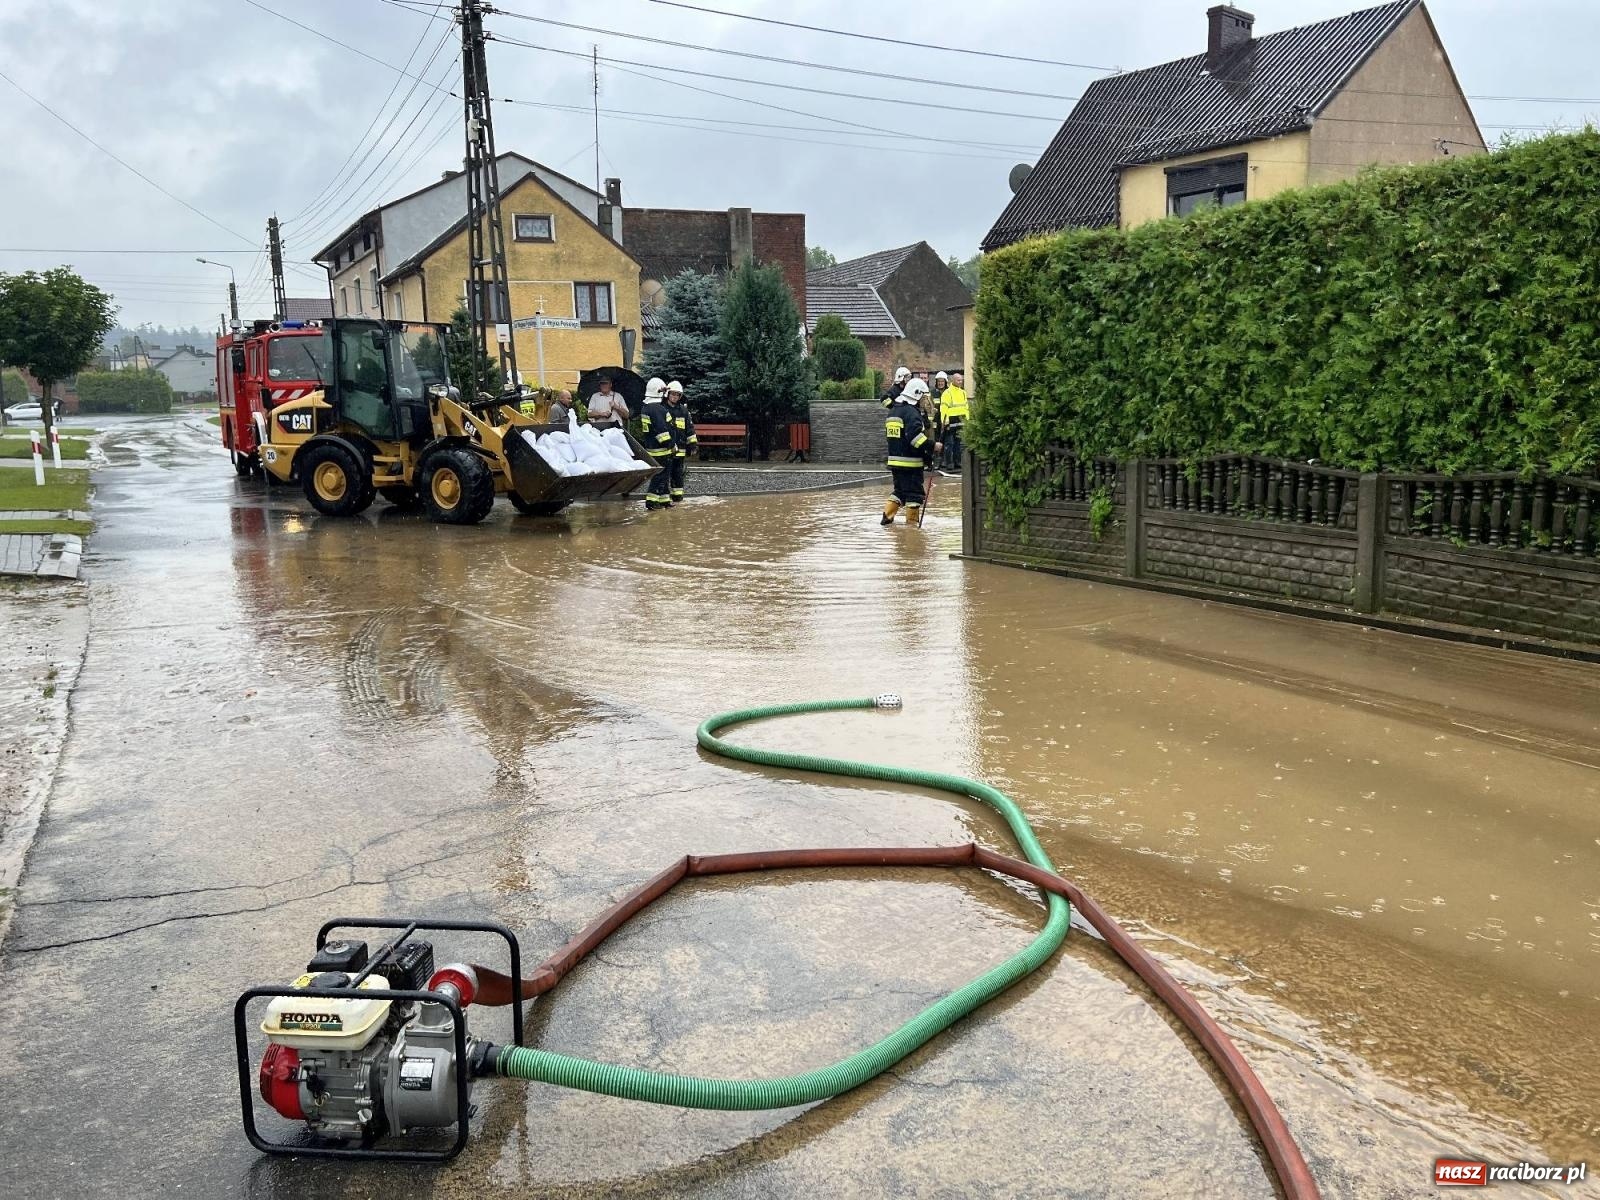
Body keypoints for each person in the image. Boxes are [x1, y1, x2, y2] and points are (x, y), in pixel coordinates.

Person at [882, 377, 939, 526]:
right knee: (914, 495)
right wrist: (933, 446)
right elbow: (915, 439)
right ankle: (912, 529)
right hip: (910, 464)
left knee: (899, 492)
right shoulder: (912, 413)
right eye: (923, 397)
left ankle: (886, 519)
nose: (925, 401)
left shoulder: (894, 411)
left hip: (895, 462)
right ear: (916, 394)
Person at [638, 377, 676, 510]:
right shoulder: (657, 409)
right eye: (664, 390)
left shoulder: (647, 408)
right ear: (658, 391)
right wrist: (671, 445)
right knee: (660, 476)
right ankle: (651, 501)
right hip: (662, 449)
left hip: (652, 448)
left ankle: (664, 500)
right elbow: (661, 430)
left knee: (664, 476)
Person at [665, 380, 697, 504]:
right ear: (668, 394)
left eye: (677, 395)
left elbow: (690, 428)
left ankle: (677, 497)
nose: (675, 397)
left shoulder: (683, 411)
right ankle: (665, 498)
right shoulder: (662, 408)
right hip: (667, 449)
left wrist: (693, 445)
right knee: (665, 474)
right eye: (673, 394)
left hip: (680, 449)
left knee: (677, 474)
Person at [938, 371, 969, 471]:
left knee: (958, 444)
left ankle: (957, 462)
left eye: (961, 380)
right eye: (958, 380)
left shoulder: (963, 392)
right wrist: (945, 421)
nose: (960, 382)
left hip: (961, 421)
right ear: (953, 380)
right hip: (950, 422)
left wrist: (968, 420)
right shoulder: (947, 393)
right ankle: (949, 463)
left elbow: (966, 407)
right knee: (949, 443)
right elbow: (943, 408)